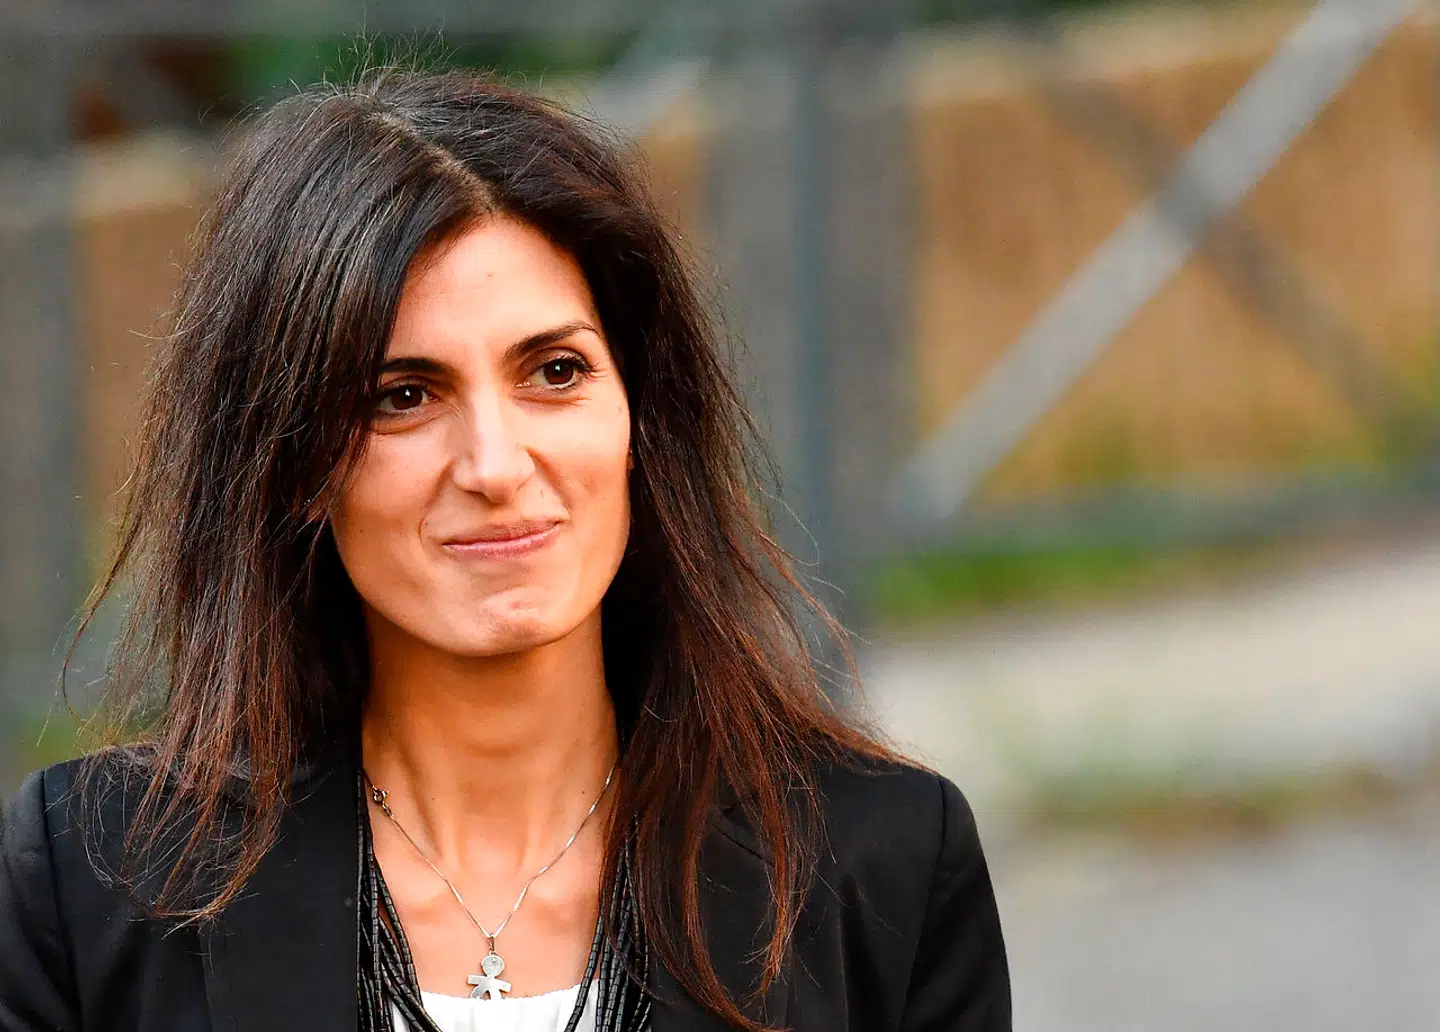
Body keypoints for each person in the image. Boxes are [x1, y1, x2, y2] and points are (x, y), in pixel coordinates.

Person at [0, 67, 1010, 1032]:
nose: (494, 462)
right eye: (404, 396)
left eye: (556, 371)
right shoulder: (92, 884)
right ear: (295, 463)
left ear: (638, 419)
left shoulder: (885, 865)